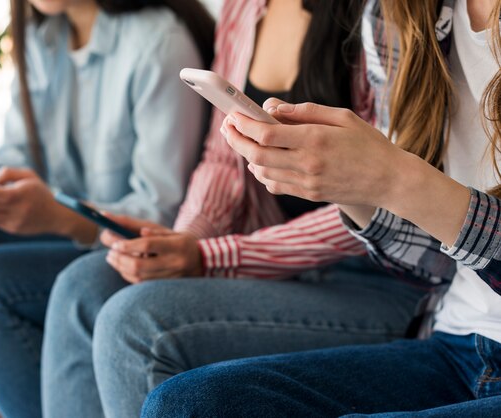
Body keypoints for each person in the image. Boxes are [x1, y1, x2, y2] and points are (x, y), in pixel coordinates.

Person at [40, 1, 431, 417]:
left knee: (135, 322)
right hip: (288, 269)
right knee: (87, 283)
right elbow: (223, 159)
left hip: (381, 280)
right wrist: (186, 241)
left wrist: (214, 258)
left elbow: (383, 201)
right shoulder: (244, 7)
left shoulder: (384, 15)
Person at [141, 0, 501, 416]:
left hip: (378, 295)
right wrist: (351, 188)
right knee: (186, 404)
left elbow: (407, 198)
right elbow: (430, 263)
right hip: (458, 339)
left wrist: (395, 177)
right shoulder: (403, 14)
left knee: (143, 320)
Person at [0, 0, 213, 417]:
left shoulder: (159, 43)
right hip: (67, 229)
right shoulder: (43, 37)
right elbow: (16, 151)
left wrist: (60, 218)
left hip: (125, 246)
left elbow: (164, 218)